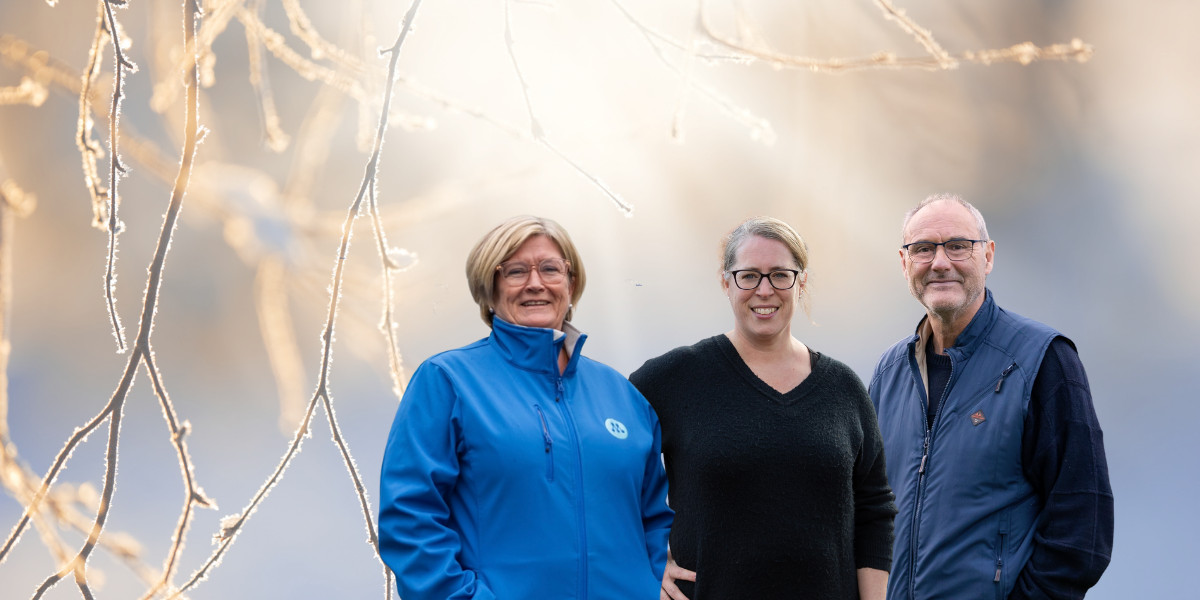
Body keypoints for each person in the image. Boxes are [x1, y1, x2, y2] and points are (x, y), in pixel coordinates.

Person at [377, 216, 673, 600]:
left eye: (550, 268)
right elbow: (409, 517)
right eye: (515, 271)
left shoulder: (623, 395)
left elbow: (656, 518)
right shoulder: (448, 381)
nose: (536, 283)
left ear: (571, 283)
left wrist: (649, 585)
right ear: (490, 287)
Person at [630, 216, 897, 600]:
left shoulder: (843, 388)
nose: (765, 290)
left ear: (801, 281)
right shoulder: (674, 378)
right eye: (749, 275)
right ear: (726, 282)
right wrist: (648, 558)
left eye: (780, 275)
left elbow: (874, 509)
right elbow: (605, 470)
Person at [869, 194, 1114, 600]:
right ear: (904, 263)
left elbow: (1082, 531)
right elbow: (867, 514)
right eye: (924, 249)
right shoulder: (888, 373)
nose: (940, 262)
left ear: (988, 257)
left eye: (958, 246)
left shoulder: (1042, 360)